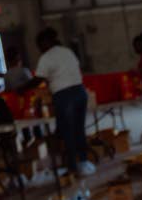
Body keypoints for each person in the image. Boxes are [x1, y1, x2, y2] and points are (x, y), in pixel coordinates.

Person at [28, 28, 95, 176]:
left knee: (67, 132)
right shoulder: (67, 51)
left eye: (39, 44)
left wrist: (22, 88)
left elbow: (38, 79)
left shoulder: (46, 57)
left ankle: (72, 166)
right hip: (80, 92)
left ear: (46, 42)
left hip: (64, 96)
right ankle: (83, 162)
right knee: (79, 129)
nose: (39, 48)